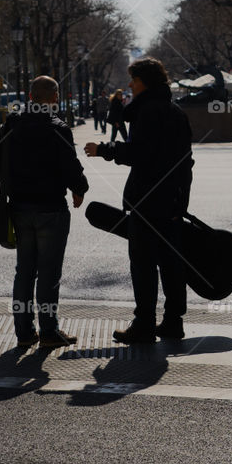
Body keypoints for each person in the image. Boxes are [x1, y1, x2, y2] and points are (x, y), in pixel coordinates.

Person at [85, 57, 193, 344]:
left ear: (145, 82)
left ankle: (144, 324)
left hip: (147, 200)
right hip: (171, 201)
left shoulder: (148, 113)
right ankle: (173, 322)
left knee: (143, 264)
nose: (130, 85)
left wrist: (104, 149)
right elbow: (186, 163)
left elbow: (138, 153)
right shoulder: (175, 112)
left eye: (134, 80)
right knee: (171, 263)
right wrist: (181, 201)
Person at [0, 76, 88, 350]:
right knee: (49, 272)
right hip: (51, 208)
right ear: (54, 97)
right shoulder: (57, 127)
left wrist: (13, 189)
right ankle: (49, 330)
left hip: (20, 207)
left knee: (24, 271)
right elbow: (70, 165)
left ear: (30, 96)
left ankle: (24, 331)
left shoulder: (12, 124)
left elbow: (0, 165)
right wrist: (79, 188)